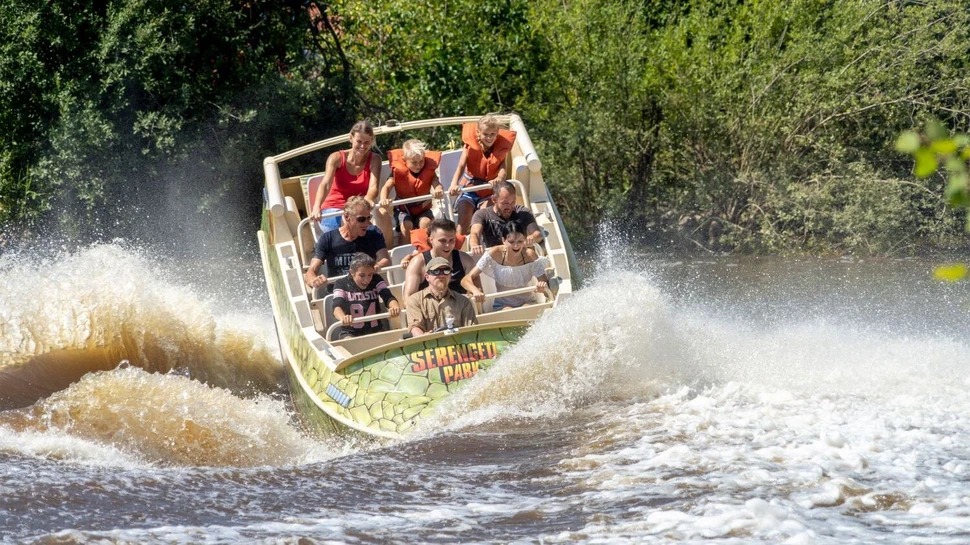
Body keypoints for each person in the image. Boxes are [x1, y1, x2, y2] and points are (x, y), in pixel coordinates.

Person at [304, 196, 391, 295]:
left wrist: (377, 266)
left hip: (366, 294)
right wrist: (314, 281)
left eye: (368, 218)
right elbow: (310, 272)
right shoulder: (327, 238)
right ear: (346, 217)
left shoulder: (374, 233)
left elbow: (386, 260)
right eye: (361, 219)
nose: (367, 223)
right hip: (338, 294)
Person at [447, 114, 517, 235]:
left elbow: (503, 169)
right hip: (470, 189)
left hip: (489, 191)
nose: (489, 138)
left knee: (485, 215)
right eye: (485, 134)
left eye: (492, 134)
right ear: (478, 133)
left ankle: (480, 244)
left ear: (497, 133)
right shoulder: (469, 146)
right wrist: (454, 184)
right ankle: (458, 249)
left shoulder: (501, 148)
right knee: (463, 217)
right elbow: (461, 166)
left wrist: (499, 178)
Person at [309, 120, 382, 232]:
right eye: (359, 141)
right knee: (353, 225)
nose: (362, 146)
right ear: (351, 138)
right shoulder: (336, 158)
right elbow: (326, 184)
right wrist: (316, 207)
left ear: (371, 141)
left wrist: (368, 199)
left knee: (377, 224)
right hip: (334, 209)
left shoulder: (375, 159)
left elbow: (373, 188)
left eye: (366, 142)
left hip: (359, 210)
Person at [462, 220, 550, 311]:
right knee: (510, 312)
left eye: (520, 241)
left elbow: (544, 282)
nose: (516, 246)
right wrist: (475, 290)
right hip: (503, 305)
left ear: (524, 240)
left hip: (528, 302)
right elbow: (466, 280)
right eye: (511, 242)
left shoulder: (530, 255)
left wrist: (542, 285)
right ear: (504, 240)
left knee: (525, 310)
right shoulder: (495, 253)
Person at [376, 139, 444, 248]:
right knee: (406, 225)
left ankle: (424, 249)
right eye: (414, 162)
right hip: (403, 209)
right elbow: (386, 187)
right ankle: (405, 249)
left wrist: (438, 190)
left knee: (425, 223)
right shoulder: (397, 172)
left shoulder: (428, 171)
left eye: (421, 161)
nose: (418, 165)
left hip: (423, 209)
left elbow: (437, 184)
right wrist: (383, 199)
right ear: (405, 160)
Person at [402, 218, 480, 300]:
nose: (447, 245)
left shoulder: (465, 260)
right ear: (431, 240)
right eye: (443, 241)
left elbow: (478, 290)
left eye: (451, 240)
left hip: (460, 309)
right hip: (429, 310)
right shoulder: (418, 262)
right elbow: (409, 298)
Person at [332, 253, 401, 339]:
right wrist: (343, 318)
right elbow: (336, 306)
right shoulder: (341, 283)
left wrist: (394, 307)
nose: (366, 280)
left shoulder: (376, 279)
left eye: (370, 275)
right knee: (350, 343)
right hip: (350, 333)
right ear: (352, 272)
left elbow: (387, 296)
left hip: (376, 331)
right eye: (362, 275)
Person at [467, 181, 544, 256]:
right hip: (494, 260)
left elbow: (537, 234)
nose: (509, 207)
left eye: (513, 202)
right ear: (494, 200)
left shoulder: (523, 212)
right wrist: (475, 245)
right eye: (505, 203)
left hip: (519, 260)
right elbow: (475, 233)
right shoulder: (482, 214)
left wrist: (531, 238)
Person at [406, 257, 478, 337]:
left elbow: (472, 329)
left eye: (446, 271)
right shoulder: (415, 300)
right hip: (429, 346)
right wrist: (424, 337)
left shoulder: (464, 302)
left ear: (450, 276)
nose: (441, 275)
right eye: (436, 271)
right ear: (427, 277)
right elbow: (415, 328)